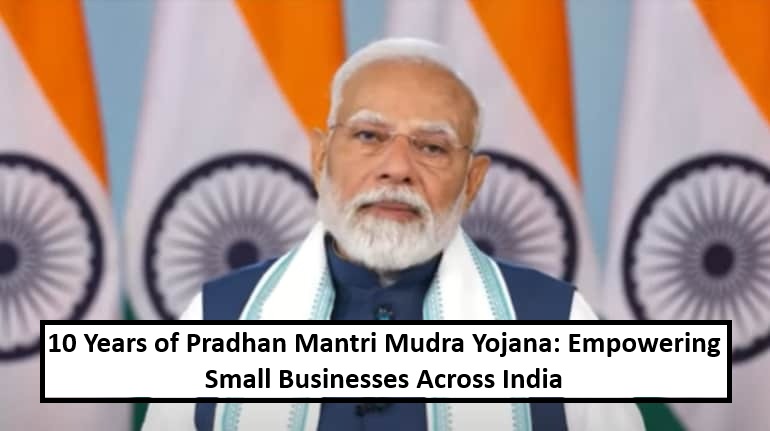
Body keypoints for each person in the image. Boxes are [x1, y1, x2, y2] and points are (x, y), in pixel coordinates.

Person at [142, 38, 645, 431]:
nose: (397, 168)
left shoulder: (558, 322)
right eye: (369, 136)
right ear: (320, 159)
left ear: (472, 182)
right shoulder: (219, 317)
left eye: (432, 147)